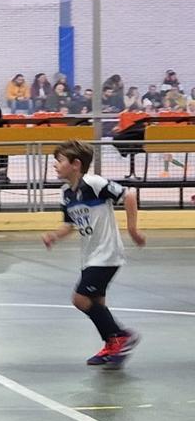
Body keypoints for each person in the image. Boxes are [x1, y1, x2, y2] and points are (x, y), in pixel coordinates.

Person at [42, 139, 144, 369]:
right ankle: (111, 344)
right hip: (90, 255)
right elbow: (68, 225)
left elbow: (128, 196)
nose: (55, 166)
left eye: (59, 161)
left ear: (76, 164)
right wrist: (53, 236)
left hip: (107, 252)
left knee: (80, 299)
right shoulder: (66, 193)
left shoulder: (94, 183)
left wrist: (133, 229)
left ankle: (121, 336)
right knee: (97, 302)